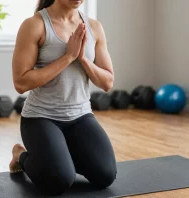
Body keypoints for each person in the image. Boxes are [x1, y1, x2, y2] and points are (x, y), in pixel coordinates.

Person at [10, 0, 117, 195]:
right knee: (59, 180)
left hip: (81, 116)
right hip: (41, 117)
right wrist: (68, 57)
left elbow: (107, 82)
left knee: (105, 175)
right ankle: (20, 156)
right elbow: (21, 82)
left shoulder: (94, 27)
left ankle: (61, 155)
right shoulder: (34, 25)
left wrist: (83, 59)